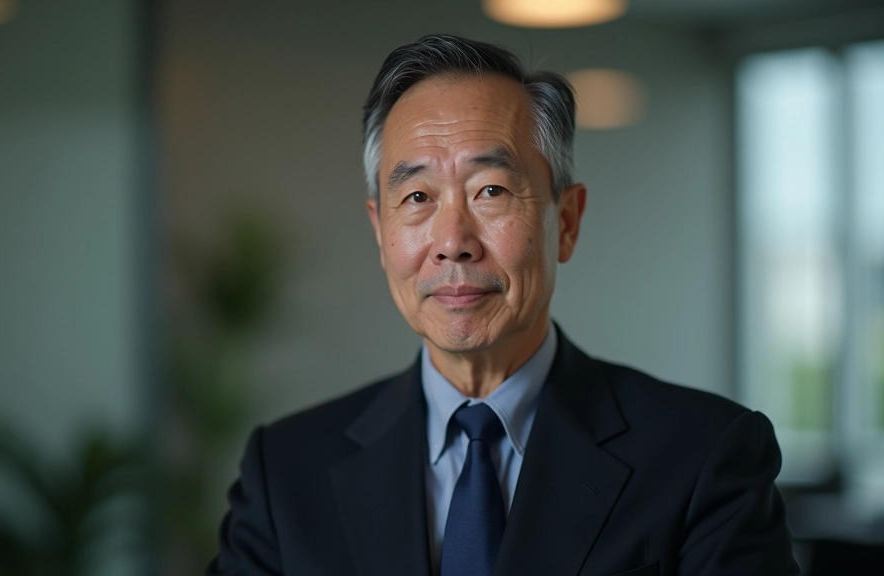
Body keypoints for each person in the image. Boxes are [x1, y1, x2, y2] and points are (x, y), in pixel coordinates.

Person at [206, 34, 800, 576]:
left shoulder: (703, 458)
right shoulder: (286, 472)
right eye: (416, 196)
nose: (452, 242)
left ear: (565, 222)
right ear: (379, 233)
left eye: (490, 190)